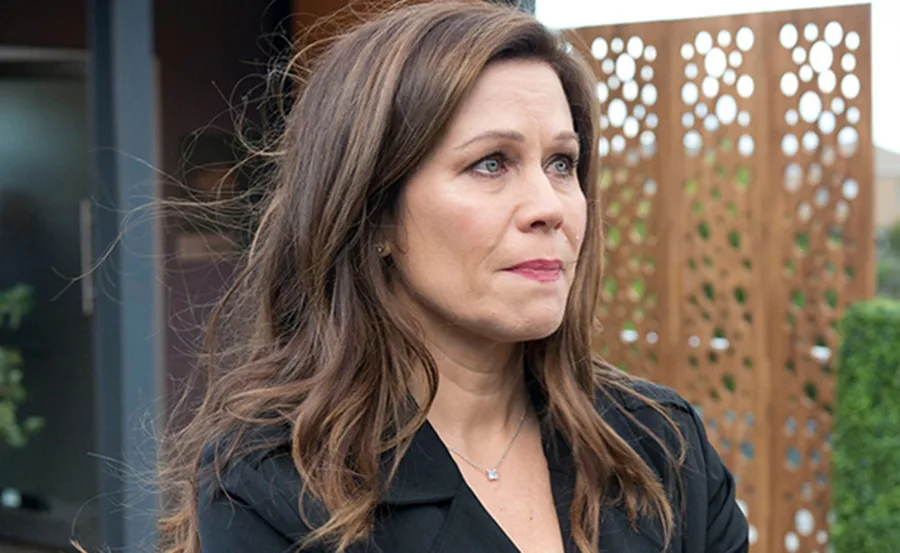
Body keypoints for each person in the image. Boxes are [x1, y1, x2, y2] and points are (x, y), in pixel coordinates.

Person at [157, 2, 750, 552]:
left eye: (562, 163)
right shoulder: (274, 489)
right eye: (491, 163)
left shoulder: (663, 448)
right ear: (374, 212)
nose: (550, 206)